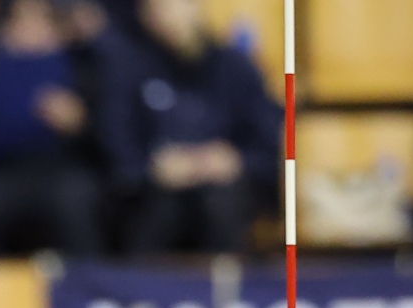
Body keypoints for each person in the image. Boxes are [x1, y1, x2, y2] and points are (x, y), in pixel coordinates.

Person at [97, 0, 279, 255]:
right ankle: (142, 280)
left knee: (220, 205)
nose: (167, 16)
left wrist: (236, 160)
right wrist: (152, 169)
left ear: (195, 6)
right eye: (157, 8)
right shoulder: (129, 69)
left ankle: (230, 278)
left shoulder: (235, 66)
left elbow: (267, 140)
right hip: (155, 194)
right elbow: (117, 141)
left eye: (174, 5)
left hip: (226, 190)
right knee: (158, 213)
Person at [0, 0, 101, 260]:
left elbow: (109, 139)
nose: (31, 31)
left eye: (42, 23)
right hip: (0, 171)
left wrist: (79, 123)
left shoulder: (82, 68)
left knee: (76, 200)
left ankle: (89, 280)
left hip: (61, 170)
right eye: (21, 23)